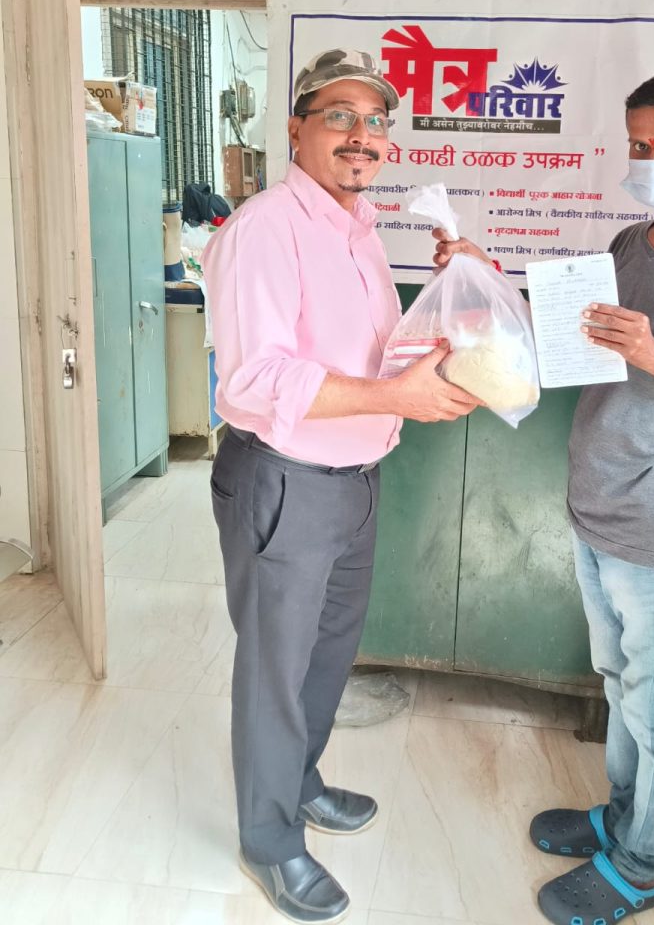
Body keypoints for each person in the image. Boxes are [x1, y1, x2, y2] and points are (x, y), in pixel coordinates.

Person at [433, 68, 654, 924]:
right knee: (618, 679)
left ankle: (642, 865)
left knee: (652, 704)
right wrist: (487, 276)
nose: (653, 160)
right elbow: (573, 341)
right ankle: (620, 820)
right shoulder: (632, 244)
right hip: (594, 508)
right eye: (640, 145)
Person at [204, 49, 480, 925]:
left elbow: (367, 359)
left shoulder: (359, 230)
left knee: (327, 655)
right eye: (339, 116)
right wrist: (396, 398)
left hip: (353, 479)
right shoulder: (265, 229)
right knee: (276, 670)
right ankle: (269, 840)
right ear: (297, 129)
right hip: (285, 480)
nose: (362, 135)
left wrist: (453, 302)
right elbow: (257, 379)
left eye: (375, 121)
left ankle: (299, 781)